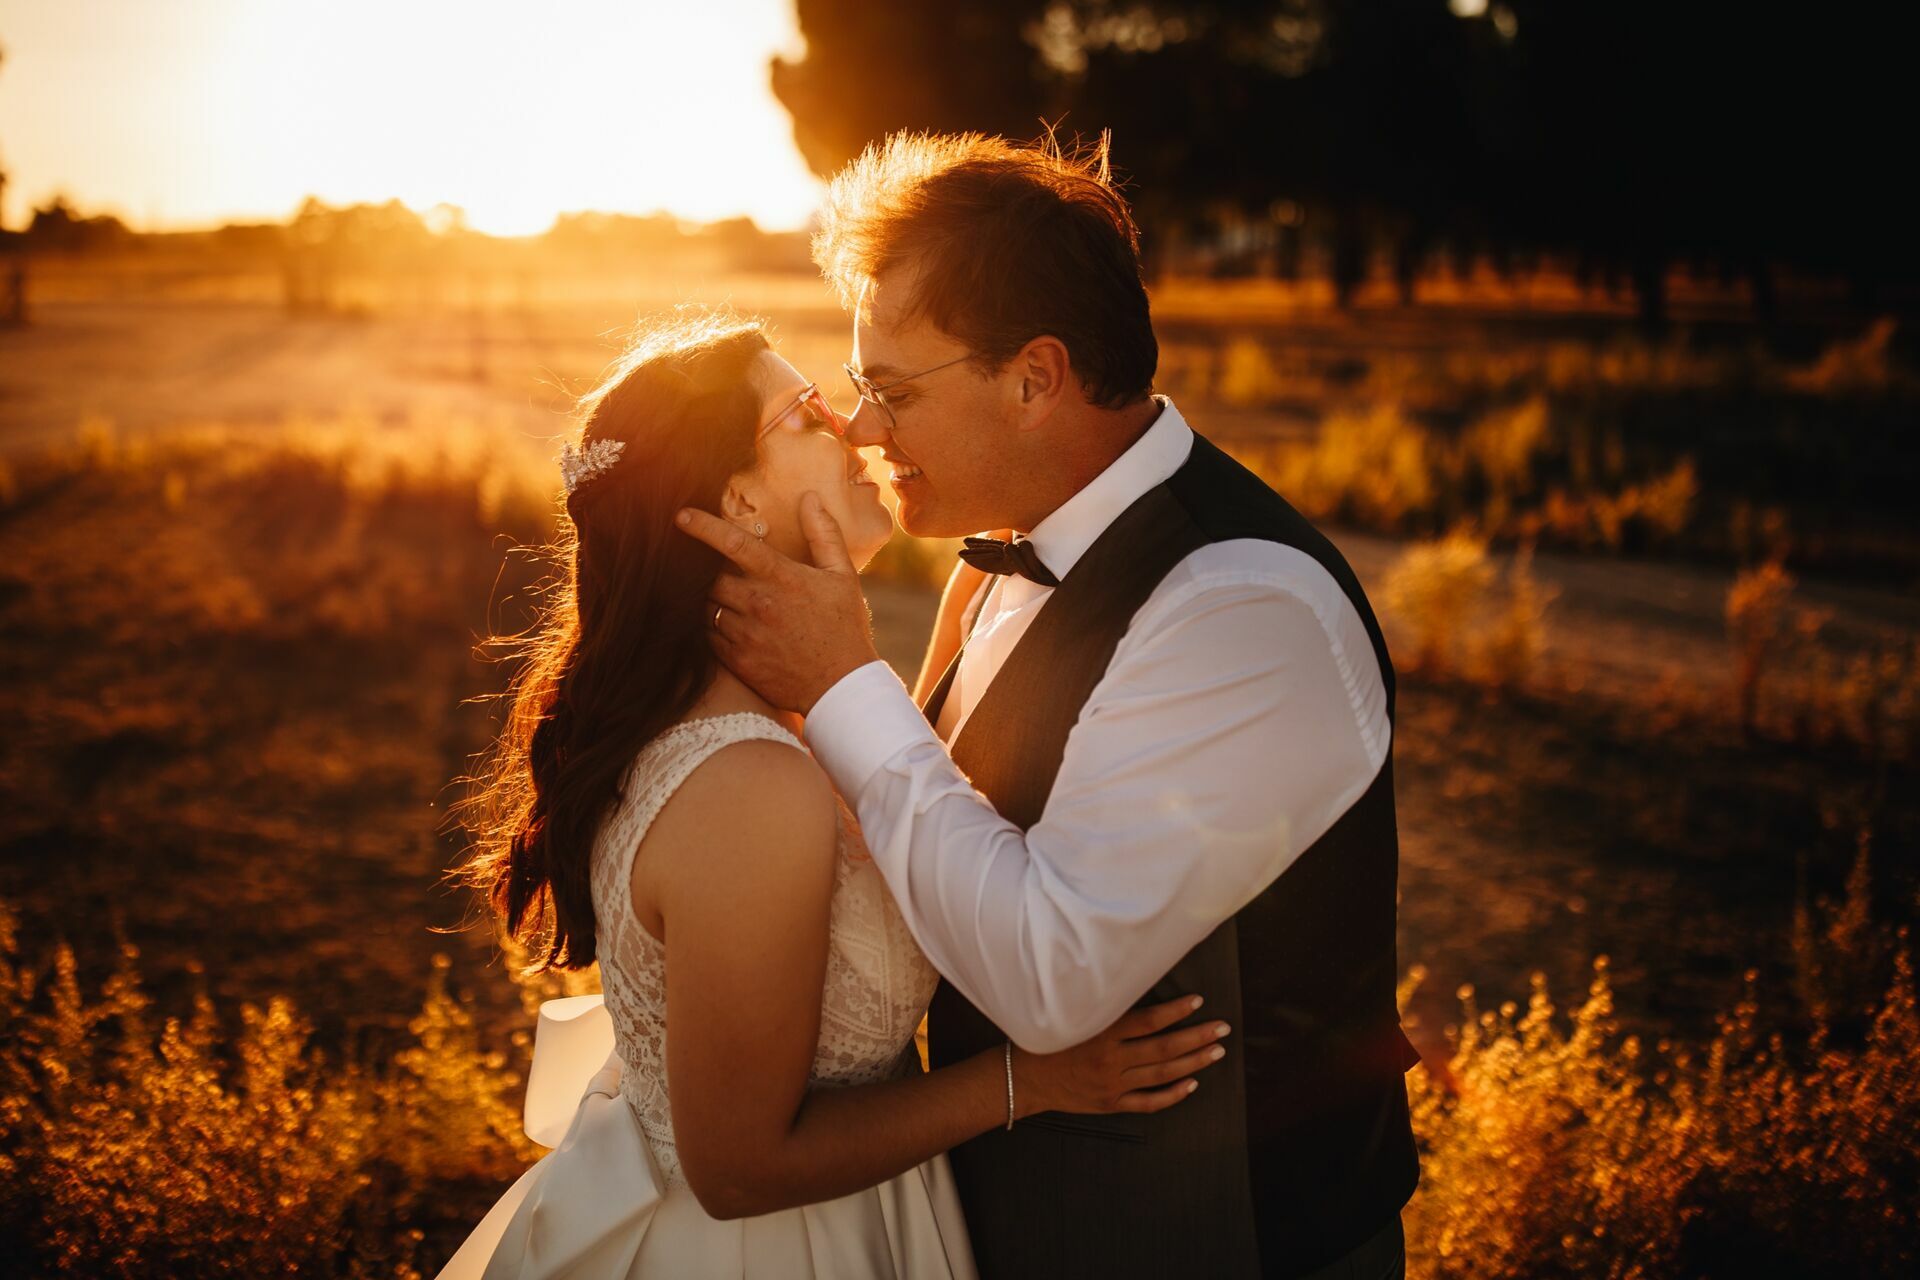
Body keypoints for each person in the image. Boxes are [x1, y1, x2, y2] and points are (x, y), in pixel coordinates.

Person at [676, 132, 1422, 1279]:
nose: (863, 429)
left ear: (1035, 378)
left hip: (1228, 1243)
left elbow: (1050, 978)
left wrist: (842, 686)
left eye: (892, 390)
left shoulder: (1241, 602)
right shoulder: (998, 559)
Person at [437, 313, 1226, 1280]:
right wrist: (1034, 1082)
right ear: (739, 499)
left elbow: (901, 796)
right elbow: (740, 1167)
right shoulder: (746, 785)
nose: (854, 429)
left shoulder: (767, 706)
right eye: (808, 413)